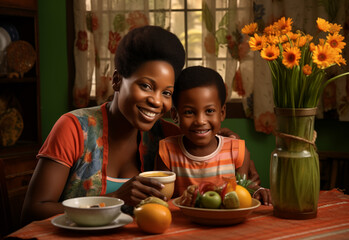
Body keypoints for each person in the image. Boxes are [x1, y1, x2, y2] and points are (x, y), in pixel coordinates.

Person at [21, 26, 264, 225]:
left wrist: (228, 146)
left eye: (166, 92)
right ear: (117, 80)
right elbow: (33, 210)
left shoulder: (165, 136)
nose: (156, 101)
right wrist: (113, 198)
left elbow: (209, 148)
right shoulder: (74, 128)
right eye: (146, 86)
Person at [155, 66, 271, 204]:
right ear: (175, 115)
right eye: (189, 112)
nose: (200, 121)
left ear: (222, 113)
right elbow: (161, 197)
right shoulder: (167, 151)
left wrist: (257, 191)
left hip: (225, 222)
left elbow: (243, 189)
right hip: (184, 221)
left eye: (209, 110)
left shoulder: (237, 152)